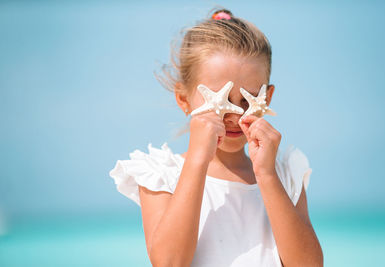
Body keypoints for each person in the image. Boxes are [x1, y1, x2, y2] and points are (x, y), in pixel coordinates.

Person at [109, 7, 323, 267]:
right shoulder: (164, 174)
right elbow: (169, 263)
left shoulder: (285, 173)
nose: (234, 114)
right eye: (220, 99)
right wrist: (197, 161)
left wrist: (266, 175)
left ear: (266, 98)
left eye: (247, 99)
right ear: (183, 99)